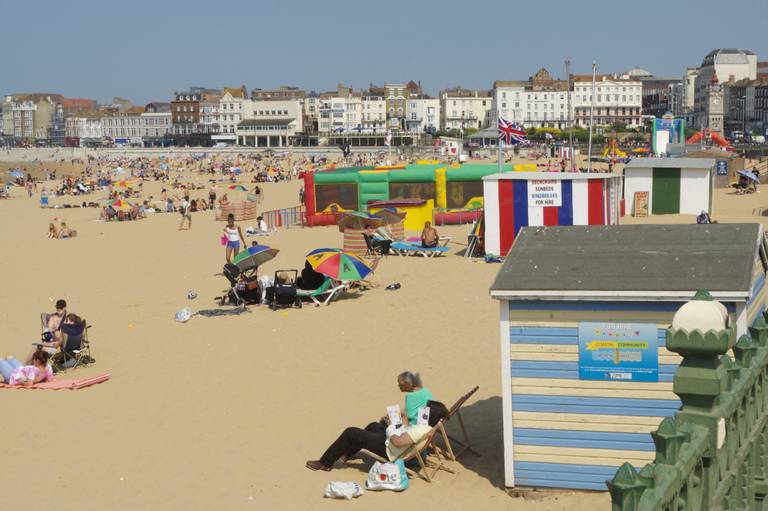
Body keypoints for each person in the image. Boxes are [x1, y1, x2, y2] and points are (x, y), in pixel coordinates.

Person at [305, 400, 449, 472]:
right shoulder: (426, 428)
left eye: (425, 409)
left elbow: (398, 442)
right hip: (395, 445)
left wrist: (391, 426)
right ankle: (347, 453)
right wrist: (402, 420)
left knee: (351, 432)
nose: (421, 410)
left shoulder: (421, 429)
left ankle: (325, 463)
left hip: (391, 450)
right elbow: (407, 434)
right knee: (373, 425)